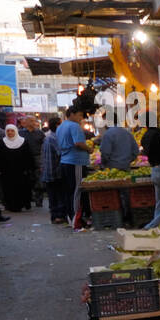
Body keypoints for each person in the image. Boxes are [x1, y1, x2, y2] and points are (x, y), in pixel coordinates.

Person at [58, 93, 97, 231]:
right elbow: (79, 143)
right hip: (75, 162)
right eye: (80, 115)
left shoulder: (61, 126)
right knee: (77, 191)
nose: (81, 118)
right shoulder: (74, 126)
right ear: (73, 114)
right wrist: (90, 149)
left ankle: (71, 219)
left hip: (65, 161)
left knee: (69, 191)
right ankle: (76, 222)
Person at [0, 125, 34, 212]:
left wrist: (28, 169)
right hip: (7, 171)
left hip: (21, 171)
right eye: (8, 131)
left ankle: (21, 204)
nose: (10, 133)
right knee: (8, 188)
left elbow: (28, 156)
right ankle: (10, 205)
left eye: (12, 131)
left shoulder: (23, 141)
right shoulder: (2, 142)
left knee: (21, 187)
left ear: (15, 131)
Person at [41, 118, 66, 223]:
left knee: (53, 196)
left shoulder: (48, 137)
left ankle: (55, 216)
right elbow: (61, 153)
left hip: (49, 171)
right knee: (58, 195)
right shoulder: (54, 138)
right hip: (55, 172)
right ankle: (58, 216)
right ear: (57, 125)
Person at [19, 117, 46, 207]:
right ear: (25, 122)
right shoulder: (20, 133)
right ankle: (28, 199)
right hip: (24, 159)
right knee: (27, 179)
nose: (33, 122)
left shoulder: (40, 133)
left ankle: (39, 199)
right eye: (30, 121)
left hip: (37, 158)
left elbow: (44, 146)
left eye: (34, 121)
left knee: (39, 180)